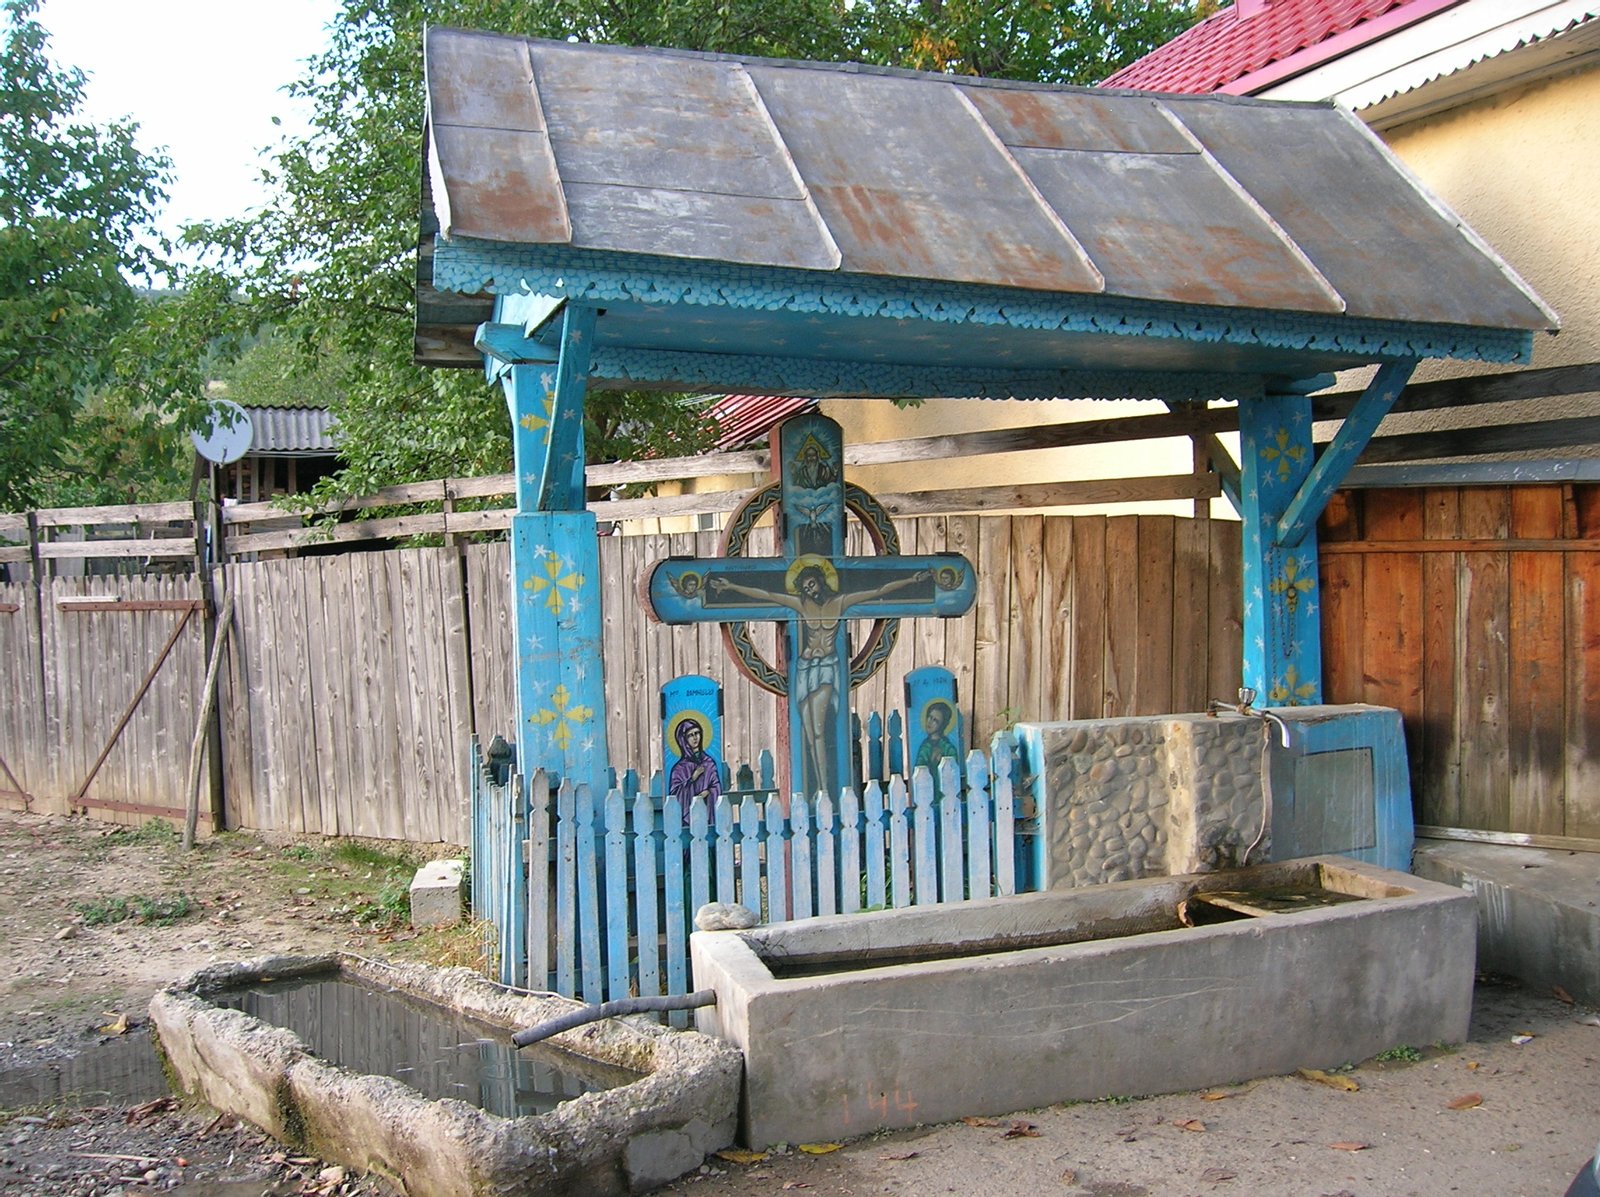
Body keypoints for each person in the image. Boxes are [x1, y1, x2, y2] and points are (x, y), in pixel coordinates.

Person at [711, 557, 930, 797]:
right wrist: (731, 586)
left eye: (812, 584)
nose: (810, 590)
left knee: (818, 724)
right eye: (805, 587)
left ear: (821, 581)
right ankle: (820, 787)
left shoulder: (840, 602)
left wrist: (911, 580)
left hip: (827, 668)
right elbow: (767, 595)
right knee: (810, 731)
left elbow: (877, 591)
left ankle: (825, 787)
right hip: (804, 669)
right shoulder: (802, 605)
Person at [667, 717, 721, 819]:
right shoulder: (679, 769)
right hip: (688, 820)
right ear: (683, 740)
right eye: (690, 735)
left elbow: (716, 786)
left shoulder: (709, 763)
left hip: (707, 814)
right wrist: (692, 779)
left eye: (697, 733)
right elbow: (674, 795)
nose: (695, 737)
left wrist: (709, 792)